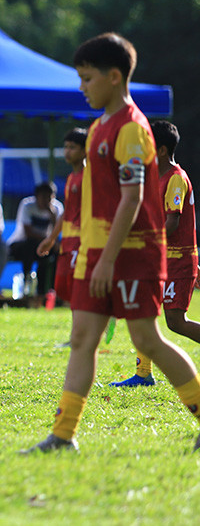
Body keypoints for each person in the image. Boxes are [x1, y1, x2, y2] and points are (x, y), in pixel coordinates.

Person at [24, 33, 200, 454]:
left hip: (132, 254)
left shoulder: (133, 130)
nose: (81, 87)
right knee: (83, 338)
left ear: (115, 76)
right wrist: (87, 251)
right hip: (97, 253)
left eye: (87, 78)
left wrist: (108, 260)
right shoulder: (99, 127)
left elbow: (133, 198)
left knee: (149, 340)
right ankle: (63, 436)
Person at [110, 120, 200, 388]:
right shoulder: (152, 177)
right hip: (157, 260)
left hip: (177, 261)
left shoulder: (175, 178)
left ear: (159, 150)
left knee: (175, 322)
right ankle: (143, 374)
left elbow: (172, 223)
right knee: (142, 313)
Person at [37, 127, 88, 307]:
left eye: (72, 147)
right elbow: (66, 212)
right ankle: (80, 333)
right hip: (68, 241)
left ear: (85, 150)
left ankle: (88, 331)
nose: (67, 151)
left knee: (80, 291)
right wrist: (51, 239)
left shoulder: (89, 177)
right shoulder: (71, 178)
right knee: (65, 290)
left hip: (83, 241)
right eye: (65, 147)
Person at [7, 181, 64, 296]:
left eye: (49, 197)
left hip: (44, 245)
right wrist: (48, 241)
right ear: (36, 196)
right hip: (21, 245)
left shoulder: (57, 208)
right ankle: (26, 281)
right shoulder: (27, 205)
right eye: (43, 197)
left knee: (58, 251)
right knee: (31, 246)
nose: (46, 200)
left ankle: (49, 289)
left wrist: (52, 217)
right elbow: (28, 233)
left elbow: (58, 230)